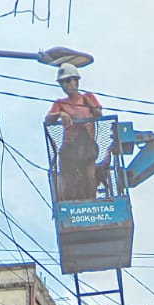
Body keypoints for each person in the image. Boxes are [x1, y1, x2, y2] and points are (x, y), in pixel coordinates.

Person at [45, 63, 103, 202]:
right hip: (69, 148)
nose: (67, 85)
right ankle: (70, 205)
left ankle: (91, 204)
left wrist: (90, 105)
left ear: (76, 80)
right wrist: (60, 114)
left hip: (87, 147)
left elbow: (99, 114)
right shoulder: (60, 103)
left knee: (89, 177)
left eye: (69, 80)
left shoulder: (88, 97)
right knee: (69, 181)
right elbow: (48, 119)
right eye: (63, 82)